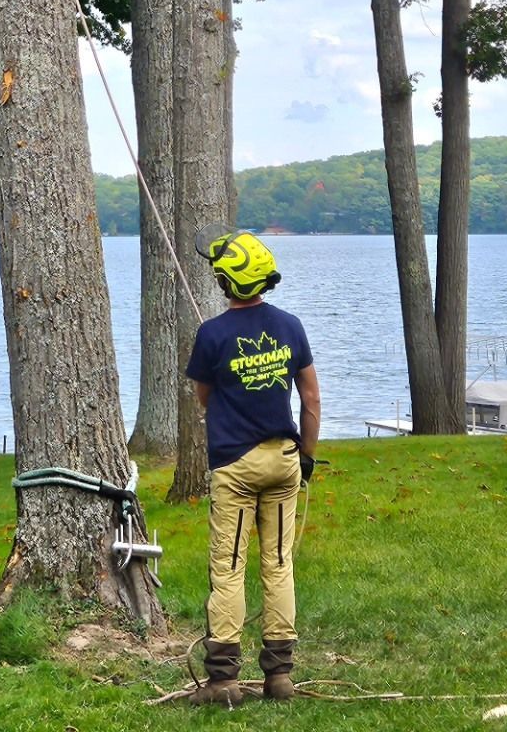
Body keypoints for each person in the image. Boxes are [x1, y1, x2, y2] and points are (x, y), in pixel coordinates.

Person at [184, 231, 321, 706]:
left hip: (235, 466)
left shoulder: (212, 335)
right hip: (285, 460)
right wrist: (306, 457)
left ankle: (223, 681)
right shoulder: (291, 325)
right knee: (279, 565)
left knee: (229, 568)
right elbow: (311, 398)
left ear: (224, 280)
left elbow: (205, 396)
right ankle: (280, 676)